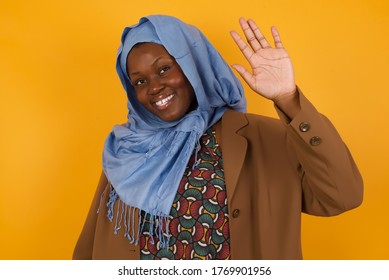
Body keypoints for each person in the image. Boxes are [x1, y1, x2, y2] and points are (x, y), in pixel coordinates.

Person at [73, 15, 363, 260]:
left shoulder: (266, 138)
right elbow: (89, 250)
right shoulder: (128, 149)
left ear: (194, 66)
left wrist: (288, 99)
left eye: (164, 69)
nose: (154, 87)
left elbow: (342, 195)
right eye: (139, 81)